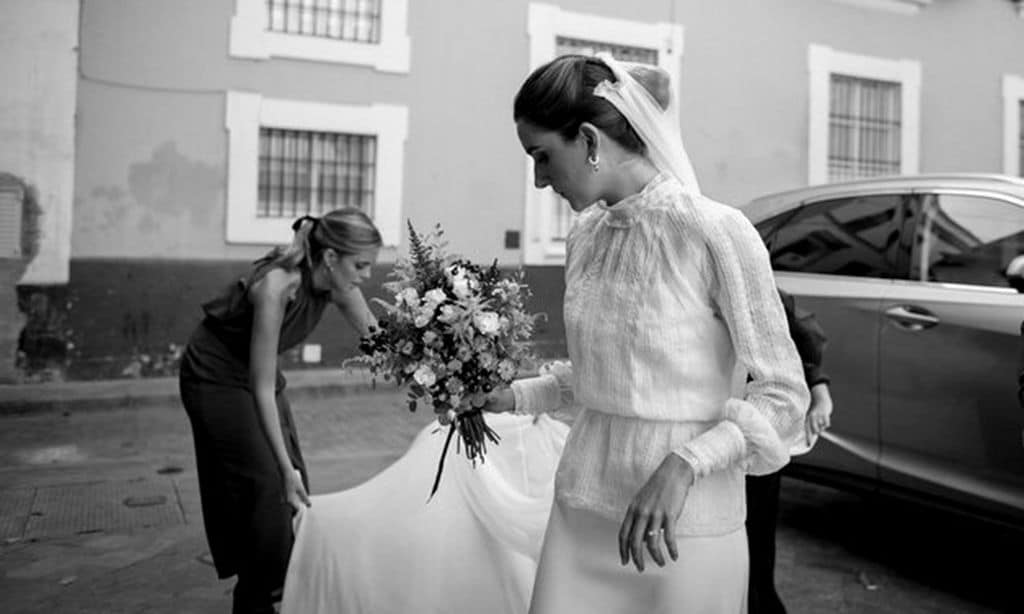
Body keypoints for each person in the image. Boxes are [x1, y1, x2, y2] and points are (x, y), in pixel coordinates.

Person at [482, 54, 810, 613]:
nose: (539, 180)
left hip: (682, 530)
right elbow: (596, 379)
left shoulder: (714, 232)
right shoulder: (586, 237)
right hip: (581, 512)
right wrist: (510, 395)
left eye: (542, 156)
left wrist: (687, 464)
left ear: (588, 139)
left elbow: (784, 399)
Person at [178, 208, 380, 614]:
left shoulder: (339, 283)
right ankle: (262, 593)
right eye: (360, 265)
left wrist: (447, 373)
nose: (366, 276)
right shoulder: (276, 285)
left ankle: (269, 586)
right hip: (216, 374)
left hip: (258, 375)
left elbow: (383, 342)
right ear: (329, 258)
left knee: (292, 487)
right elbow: (261, 386)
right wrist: (283, 468)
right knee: (269, 481)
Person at [745, 290, 833, 614]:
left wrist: (818, 389)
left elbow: (796, 327)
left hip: (753, 428)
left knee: (755, 544)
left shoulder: (738, 257)